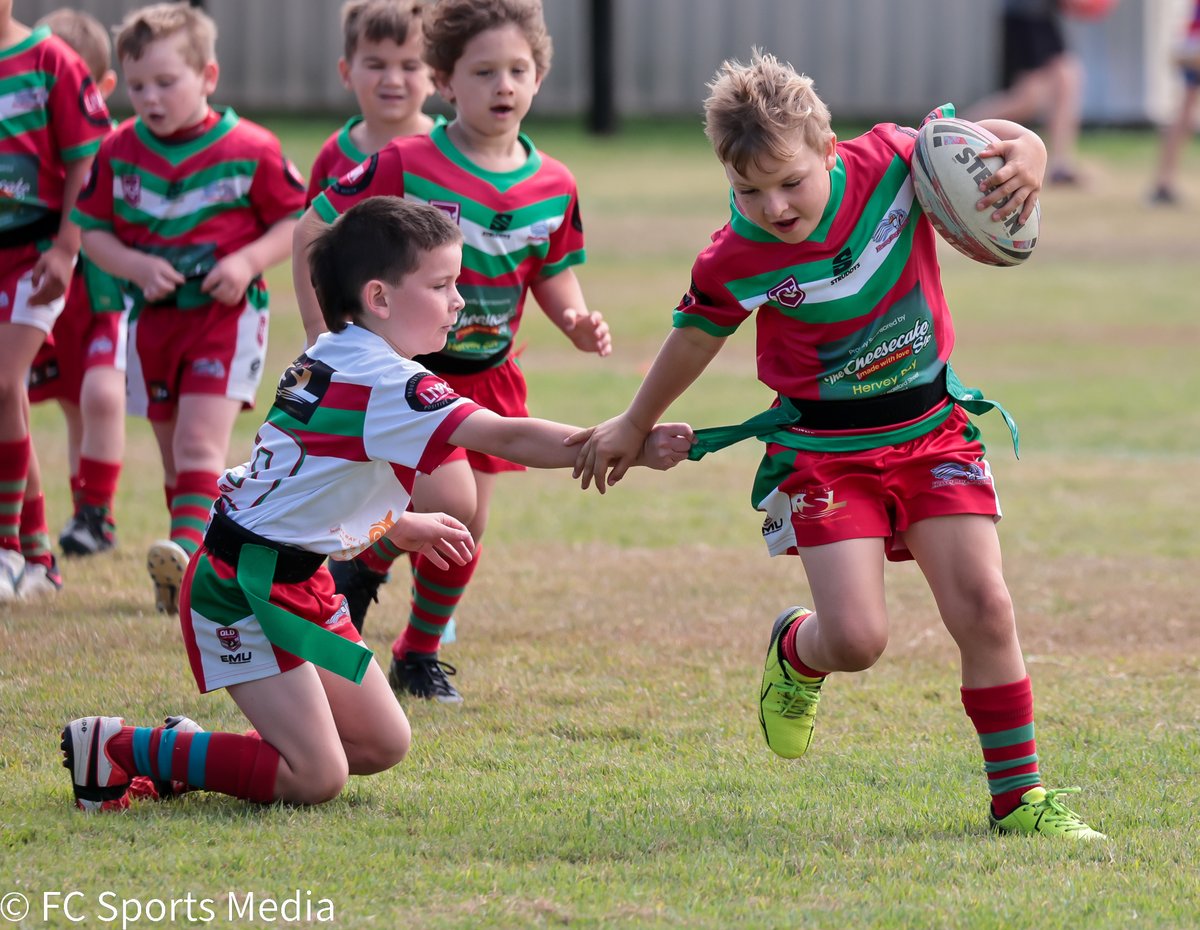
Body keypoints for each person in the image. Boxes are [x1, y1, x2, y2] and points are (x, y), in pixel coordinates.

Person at [574, 50, 1105, 839]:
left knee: (987, 608)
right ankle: (797, 648)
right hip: (824, 452)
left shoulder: (895, 158)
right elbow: (694, 340)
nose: (774, 205)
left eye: (790, 181)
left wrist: (1028, 150)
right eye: (749, 190)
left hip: (931, 432)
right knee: (857, 640)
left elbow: (996, 137)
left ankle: (1019, 799)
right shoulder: (734, 256)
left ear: (827, 148)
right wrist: (633, 420)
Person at [61, 196, 691, 811]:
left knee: (380, 742)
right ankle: (119, 748)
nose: (460, 301)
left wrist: (397, 521)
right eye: (442, 285)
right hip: (243, 585)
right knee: (317, 777)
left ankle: (192, 752)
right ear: (379, 297)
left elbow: (310, 480)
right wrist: (626, 443)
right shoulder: (386, 379)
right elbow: (506, 434)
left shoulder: (337, 353)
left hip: (296, 579)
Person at [293, 0, 611, 704]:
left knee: (467, 524)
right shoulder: (406, 162)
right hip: (409, 371)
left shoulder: (553, 182)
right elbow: (314, 231)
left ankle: (414, 645)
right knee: (450, 501)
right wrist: (326, 335)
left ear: (539, 77)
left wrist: (576, 318)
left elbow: (551, 268)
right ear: (445, 81)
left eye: (517, 70)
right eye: (483, 71)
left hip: (489, 372)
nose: (503, 85)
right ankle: (368, 571)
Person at [72, 3, 307, 614]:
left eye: (166, 82)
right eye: (137, 84)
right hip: (152, 323)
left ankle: (188, 557)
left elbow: (295, 220)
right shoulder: (119, 149)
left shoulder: (251, 147)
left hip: (223, 319)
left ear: (208, 75)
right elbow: (91, 230)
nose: (150, 97)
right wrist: (135, 266)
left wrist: (246, 262)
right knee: (174, 449)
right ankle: (191, 562)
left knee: (202, 446)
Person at [0, 0, 111, 602]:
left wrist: (67, 248)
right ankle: (39, 556)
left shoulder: (49, 60)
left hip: (34, 252)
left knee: (0, 384)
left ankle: (7, 550)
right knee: (7, 394)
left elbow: (84, 159)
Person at [27, 8, 128, 559]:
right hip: (49, 291)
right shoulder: (25, 144)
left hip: (104, 291)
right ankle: (86, 515)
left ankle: (97, 514)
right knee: (73, 405)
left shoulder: (108, 144)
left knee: (101, 394)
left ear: (100, 87)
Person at [306, 0, 435, 208]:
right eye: (376, 65)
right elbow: (312, 234)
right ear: (346, 73)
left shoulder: (453, 151)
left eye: (410, 66)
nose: (393, 80)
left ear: (434, 77)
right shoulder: (332, 156)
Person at [964, 0, 1084, 185]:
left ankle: (1060, 165)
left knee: (1066, 77)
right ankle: (953, 130)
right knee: (1027, 100)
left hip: (1039, 13)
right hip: (1024, 12)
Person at [1149, 0, 1200, 205]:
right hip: (1194, 40)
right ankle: (1164, 181)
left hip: (1192, 39)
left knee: (1185, 109)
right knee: (1185, 110)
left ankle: (1164, 180)